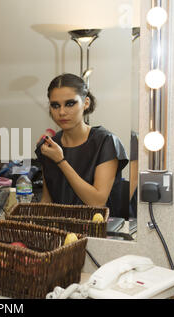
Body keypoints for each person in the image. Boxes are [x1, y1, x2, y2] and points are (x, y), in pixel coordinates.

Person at [35, 73, 128, 217]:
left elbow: (97, 203)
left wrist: (60, 161)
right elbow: (47, 201)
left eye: (70, 103)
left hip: (99, 232)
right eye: (55, 105)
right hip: (59, 231)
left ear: (86, 103)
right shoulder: (50, 146)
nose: (62, 112)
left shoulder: (106, 142)